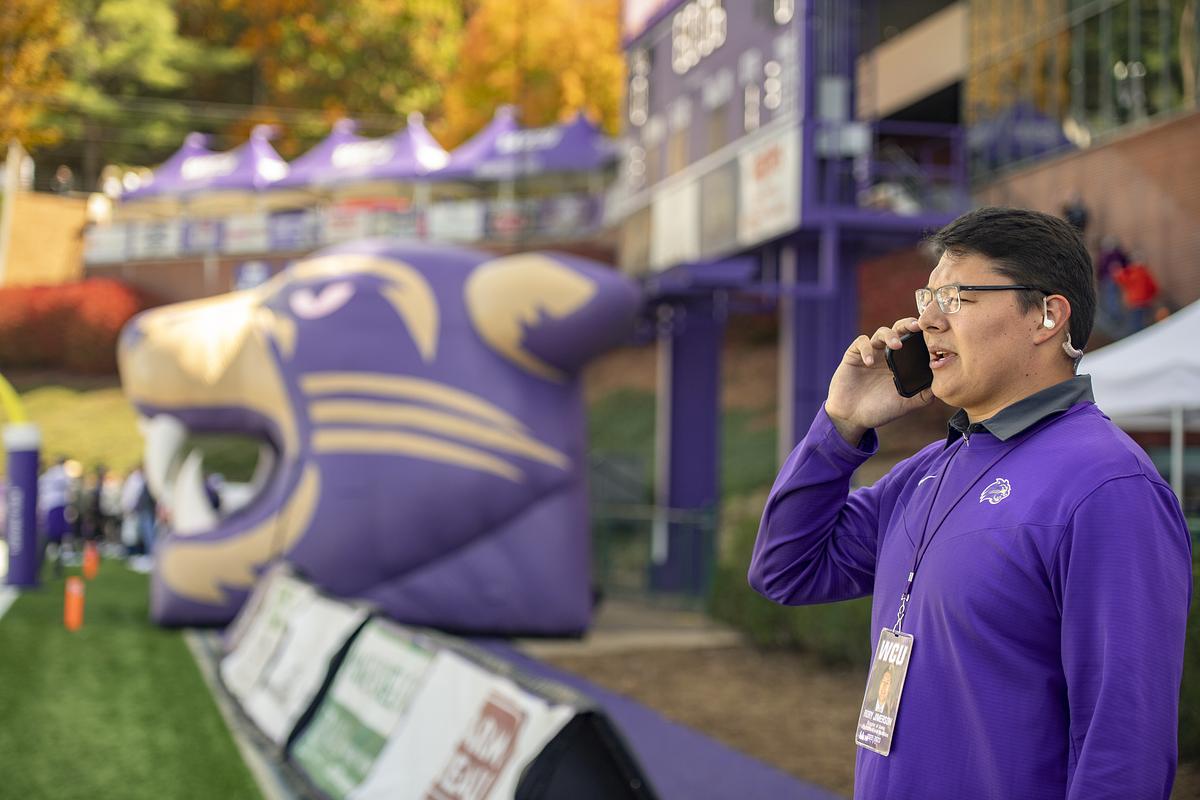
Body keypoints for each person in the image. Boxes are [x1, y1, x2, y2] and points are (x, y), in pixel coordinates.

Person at [749, 206, 1192, 799]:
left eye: (957, 297)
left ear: (1046, 316)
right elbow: (786, 569)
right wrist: (841, 427)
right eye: (926, 297)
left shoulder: (1108, 487)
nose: (925, 321)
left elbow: (1123, 742)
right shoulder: (928, 472)